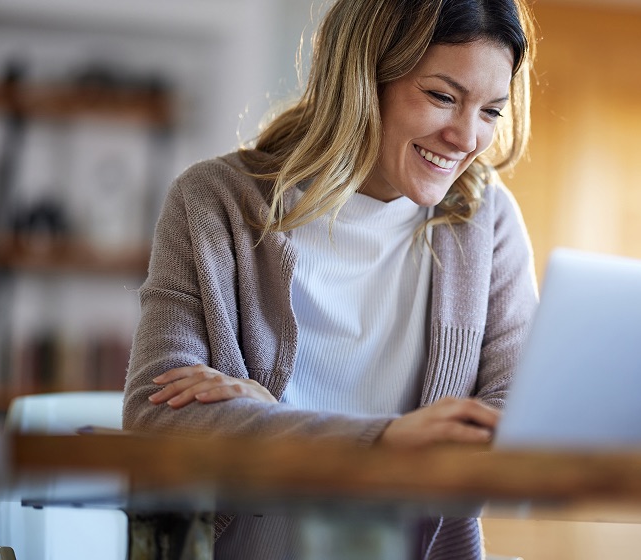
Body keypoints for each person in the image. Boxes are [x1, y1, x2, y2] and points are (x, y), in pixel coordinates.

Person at [121, 0, 538, 557]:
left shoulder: (487, 221)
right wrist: (384, 441)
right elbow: (156, 419)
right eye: (443, 97)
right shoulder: (215, 203)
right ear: (363, 78)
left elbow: (514, 420)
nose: (467, 137)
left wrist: (264, 420)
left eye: (490, 111)